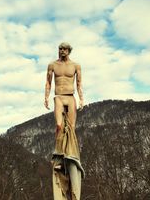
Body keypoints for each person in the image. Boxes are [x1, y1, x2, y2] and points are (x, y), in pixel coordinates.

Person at [44, 42, 85, 200]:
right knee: (60, 126)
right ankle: (60, 157)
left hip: (70, 97)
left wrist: (81, 99)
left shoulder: (76, 66)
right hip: (59, 97)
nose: (61, 51)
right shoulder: (52, 65)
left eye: (64, 49)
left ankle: (70, 156)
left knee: (72, 129)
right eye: (60, 49)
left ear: (69, 50)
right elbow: (48, 82)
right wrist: (46, 97)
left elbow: (79, 84)